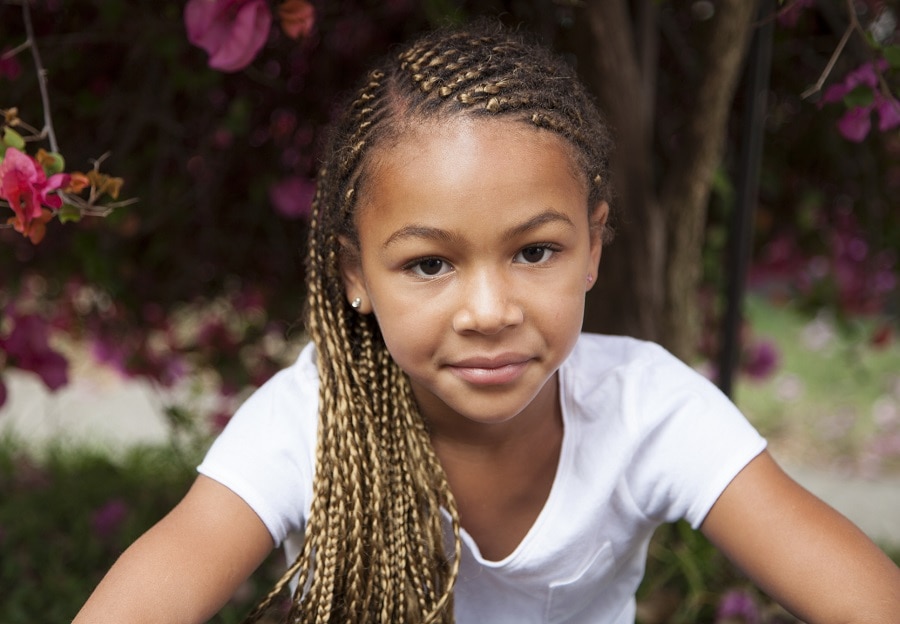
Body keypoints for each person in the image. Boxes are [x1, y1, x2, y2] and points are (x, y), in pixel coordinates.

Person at [74, 21, 900, 624]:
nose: (489, 312)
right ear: (356, 276)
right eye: (429, 264)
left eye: (535, 252)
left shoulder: (648, 407)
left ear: (593, 248)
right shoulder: (309, 421)